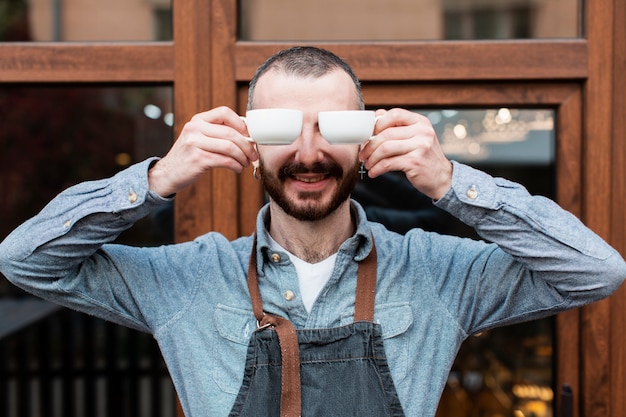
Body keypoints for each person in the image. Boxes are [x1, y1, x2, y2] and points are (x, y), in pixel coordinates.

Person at [0, 46, 625, 417]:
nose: (307, 151)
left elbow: (596, 271)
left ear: (364, 143)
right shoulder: (187, 278)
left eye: (332, 126)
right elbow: (26, 260)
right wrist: (157, 178)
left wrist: (450, 181)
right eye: (278, 129)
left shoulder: (437, 272)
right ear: (247, 144)